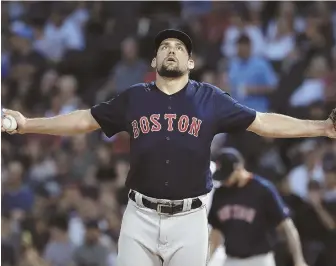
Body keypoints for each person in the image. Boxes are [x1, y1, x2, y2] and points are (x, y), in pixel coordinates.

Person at [1, 29, 335, 266]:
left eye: (179, 47)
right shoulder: (135, 97)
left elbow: (264, 123)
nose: (171, 49)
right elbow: (83, 120)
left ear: (190, 62)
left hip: (190, 218)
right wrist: (28, 123)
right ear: (154, 58)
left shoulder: (210, 99)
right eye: (165, 46)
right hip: (139, 216)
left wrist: (321, 127)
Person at [208, 147, 308, 266]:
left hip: (259, 260)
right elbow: (215, 234)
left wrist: (298, 260)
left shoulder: (262, 190)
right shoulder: (220, 194)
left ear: (238, 168)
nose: (225, 181)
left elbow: (287, 227)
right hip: (231, 260)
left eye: (227, 175)